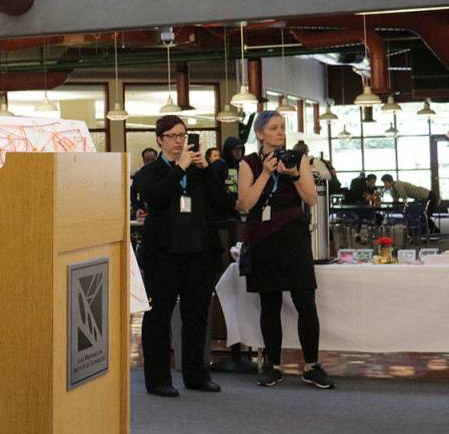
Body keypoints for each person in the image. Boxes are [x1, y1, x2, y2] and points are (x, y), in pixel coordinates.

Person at [133, 115, 234, 397]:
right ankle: (158, 379)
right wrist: (179, 169)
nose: (179, 141)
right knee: (159, 316)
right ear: (159, 140)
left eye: (182, 135)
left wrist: (208, 171)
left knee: (197, 314)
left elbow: (223, 203)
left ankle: (196, 374)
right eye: (172, 136)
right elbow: (157, 197)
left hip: (199, 252)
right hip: (163, 255)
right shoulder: (150, 172)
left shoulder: (200, 170)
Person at [236, 111, 334, 390]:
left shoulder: (298, 159)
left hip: (294, 237)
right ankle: (273, 364)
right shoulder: (249, 163)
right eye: (274, 128)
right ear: (260, 133)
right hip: (265, 239)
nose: (280, 133)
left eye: (283, 128)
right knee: (270, 304)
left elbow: (311, 199)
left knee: (306, 302)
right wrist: (266, 173)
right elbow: (245, 204)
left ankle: (312, 365)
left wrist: (292, 175)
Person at [130, 147, 159, 220]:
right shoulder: (139, 175)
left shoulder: (163, 173)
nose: (150, 162)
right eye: (147, 160)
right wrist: (137, 208)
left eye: (152, 159)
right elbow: (133, 193)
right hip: (144, 211)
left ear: (157, 159)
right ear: (143, 161)